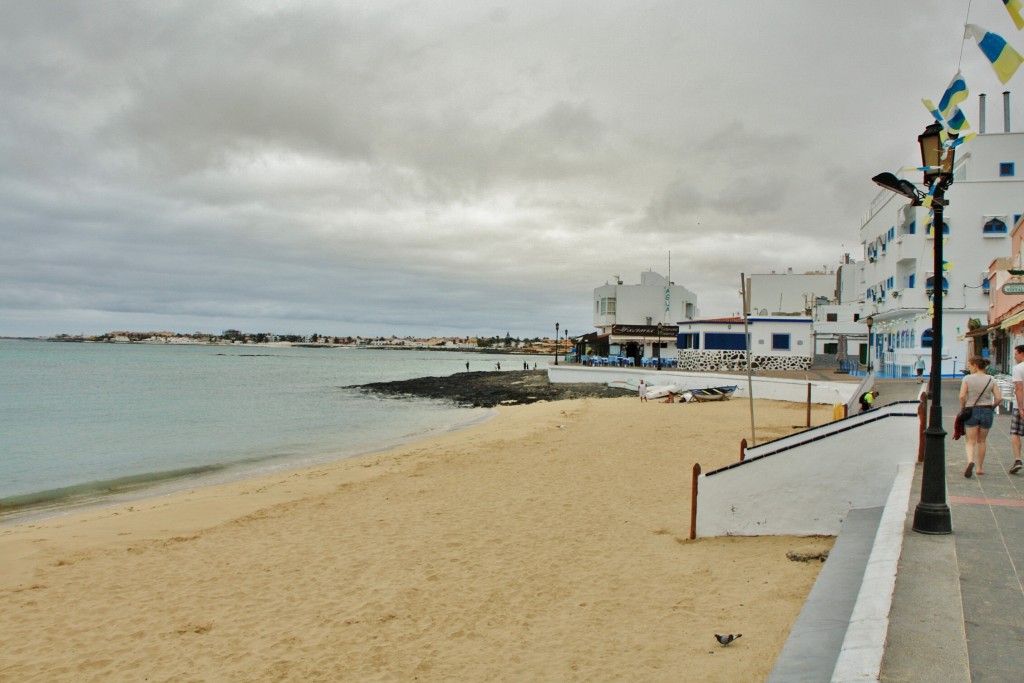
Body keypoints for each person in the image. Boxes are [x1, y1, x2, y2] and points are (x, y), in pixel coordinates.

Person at [960, 356, 1001, 478]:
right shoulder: (991, 379)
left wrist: (963, 407)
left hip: (971, 410)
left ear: (975, 366)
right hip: (987, 410)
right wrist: (992, 407)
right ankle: (979, 468)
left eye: (970, 366)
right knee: (982, 441)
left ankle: (970, 461)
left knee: (970, 441)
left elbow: (962, 396)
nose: (969, 368)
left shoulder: (967, 378)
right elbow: (999, 398)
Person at [1011, 345, 1024, 474]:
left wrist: (1020, 407)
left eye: (1016, 354)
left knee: (1015, 433)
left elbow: (1019, 388)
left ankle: (1018, 459)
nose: (1014, 356)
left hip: (1020, 405)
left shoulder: (1018, 369)